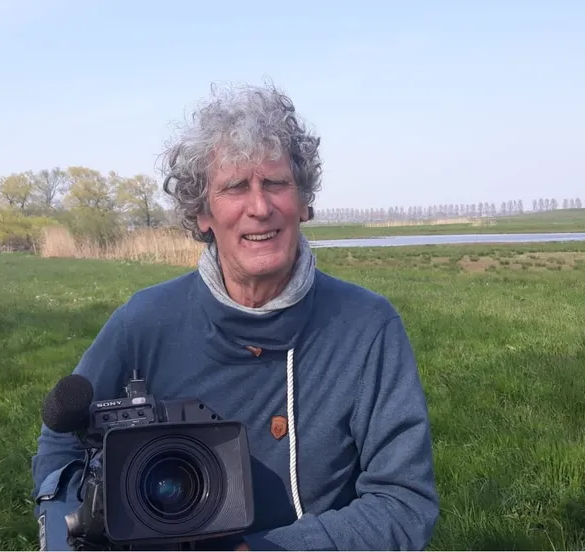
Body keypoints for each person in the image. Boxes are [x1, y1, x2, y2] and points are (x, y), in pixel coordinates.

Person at [30, 81, 439, 551]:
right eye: (235, 187)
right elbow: (62, 442)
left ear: (304, 202)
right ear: (203, 213)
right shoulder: (144, 322)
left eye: (276, 183)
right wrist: (65, 532)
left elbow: (403, 501)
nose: (260, 207)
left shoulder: (367, 326)